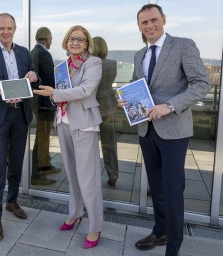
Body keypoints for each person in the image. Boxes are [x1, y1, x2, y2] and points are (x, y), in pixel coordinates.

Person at [118, 4, 211, 256]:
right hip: (147, 131)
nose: (149, 26)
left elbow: (202, 83)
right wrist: (126, 98)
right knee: (156, 187)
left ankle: (173, 247)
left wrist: (169, 106)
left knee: (172, 189)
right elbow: (136, 85)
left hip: (173, 131)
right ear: (138, 26)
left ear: (163, 20)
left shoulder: (183, 45)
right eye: (144, 22)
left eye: (153, 20)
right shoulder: (139, 55)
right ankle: (160, 231)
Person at [33, 25, 103, 249]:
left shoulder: (93, 63)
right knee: (72, 174)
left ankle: (95, 225)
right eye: (72, 39)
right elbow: (61, 93)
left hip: (84, 124)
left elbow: (86, 90)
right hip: (63, 121)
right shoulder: (62, 66)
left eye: (80, 40)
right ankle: (75, 213)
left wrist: (55, 93)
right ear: (66, 41)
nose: (75, 43)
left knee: (87, 177)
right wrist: (55, 97)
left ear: (86, 44)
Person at [0, 13, 39, 241]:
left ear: (15, 29)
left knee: (16, 162)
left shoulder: (24, 52)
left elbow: (36, 78)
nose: (6, 31)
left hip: (20, 116)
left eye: (9, 28)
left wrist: (34, 75)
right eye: (1, 28)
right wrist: (0, 93)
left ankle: (11, 202)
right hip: (0, 117)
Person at [30, 27, 61, 186]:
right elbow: (51, 77)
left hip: (37, 101)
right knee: (42, 137)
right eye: (51, 38)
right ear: (47, 38)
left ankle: (44, 164)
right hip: (44, 103)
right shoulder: (43, 53)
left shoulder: (33, 51)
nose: (51, 41)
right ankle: (36, 174)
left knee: (43, 136)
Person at [92, 36, 119, 187]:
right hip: (109, 106)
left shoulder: (90, 65)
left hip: (92, 107)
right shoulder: (112, 64)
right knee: (109, 144)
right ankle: (113, 174)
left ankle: (92, 174)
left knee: (91, 145)